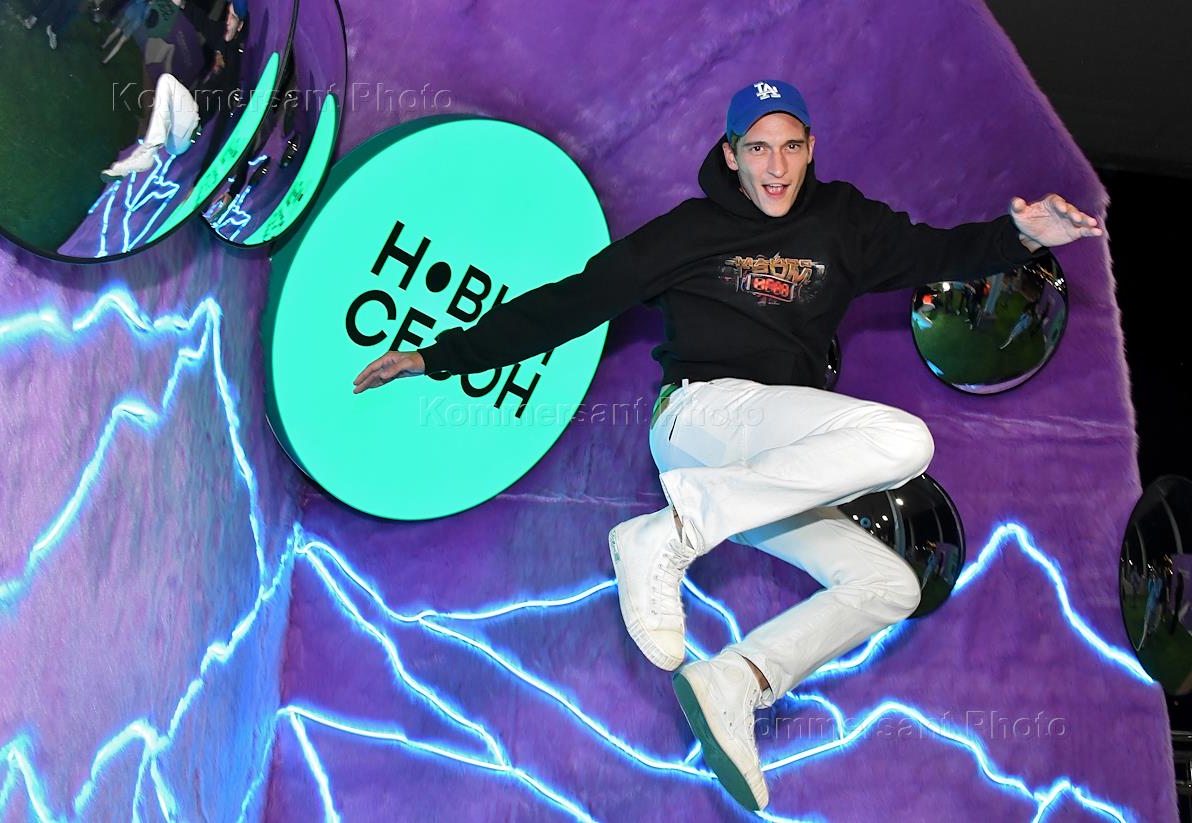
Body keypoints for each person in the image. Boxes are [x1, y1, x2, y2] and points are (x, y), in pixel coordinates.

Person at [350, 80, 1103, 811]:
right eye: (758, 149)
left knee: (889, 585)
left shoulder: (844, 224)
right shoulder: (690, 232)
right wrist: (438, 356)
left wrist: (1021, 236)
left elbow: (939, 251)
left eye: (791, 148)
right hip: (698, 420)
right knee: (903, 438)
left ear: (811, 149)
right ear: (731, 154)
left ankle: (737, 681)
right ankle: (672, 532)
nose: (776, 167)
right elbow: (574, 302)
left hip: (758, 471)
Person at [100, 0, 247, 181]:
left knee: (167, 81)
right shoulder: (221, 35)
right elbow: (199, 19)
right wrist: (181, 3)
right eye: (228, 14)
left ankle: (147, 153)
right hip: (175, 140)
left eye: (233, 18)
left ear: (240, 25)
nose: (228, 21)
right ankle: (126, 166)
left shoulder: (234, 63)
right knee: (165, 96)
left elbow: (222, 121)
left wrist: (200, 178)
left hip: (191, 126)